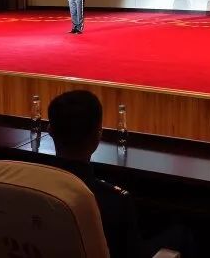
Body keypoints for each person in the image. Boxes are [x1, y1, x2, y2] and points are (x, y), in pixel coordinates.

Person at [48, 90, 191, 258]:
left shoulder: (32, 184)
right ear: (98, 136)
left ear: (50, 131)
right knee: (181, 234)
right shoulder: (114, 200)